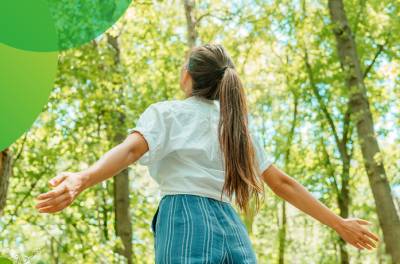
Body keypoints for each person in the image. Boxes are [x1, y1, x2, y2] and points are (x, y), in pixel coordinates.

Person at [35, 44, 379, 263]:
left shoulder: (169, 112)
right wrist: (339, 223)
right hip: (230, 224)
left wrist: (83, 177)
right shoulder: (237, 125)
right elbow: (282, 183)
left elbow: (129, 152)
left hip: (184, 215)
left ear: (188, 76)